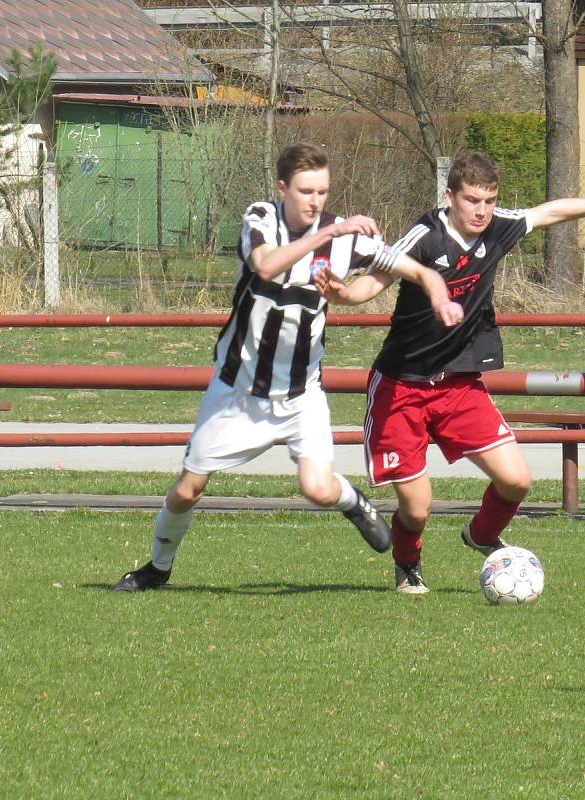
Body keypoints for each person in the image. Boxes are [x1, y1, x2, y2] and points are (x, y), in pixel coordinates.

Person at [111, 141, 463, 592]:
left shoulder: (344, 234)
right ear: (283, 188)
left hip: (301, 394)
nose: (315, 201)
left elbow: (419, 271)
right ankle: (157, 568)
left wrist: (439, 297)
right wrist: (325, 237)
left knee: (318, 488)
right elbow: (263, 267)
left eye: (322, 192)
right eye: (306, 191)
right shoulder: (262, 217)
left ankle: (354, 503)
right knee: (186, 491)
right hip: (236, 390)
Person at [319, 151, 585, 594]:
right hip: (402, 387)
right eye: (471, 200)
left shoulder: (498, 226)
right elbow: (372, 283)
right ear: (450, 197)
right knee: (418, 508)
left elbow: (550, 211)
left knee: (517, 479)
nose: (481, 210)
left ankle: (481, 535)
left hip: (459, 385)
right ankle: (408, 564)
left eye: (489, 199)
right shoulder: (424, 237)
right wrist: (343, 295)